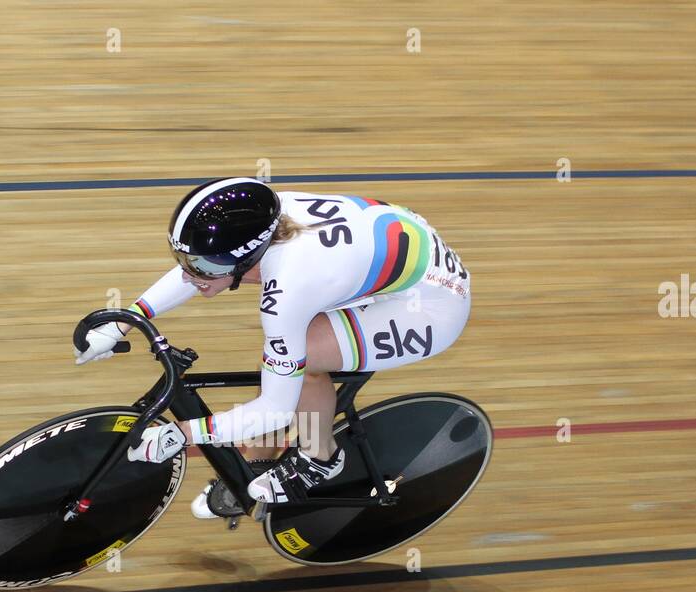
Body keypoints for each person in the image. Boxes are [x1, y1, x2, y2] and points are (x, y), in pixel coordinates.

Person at [74, 176, 471, 515]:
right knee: (281, 358)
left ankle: (321, 457)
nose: (192, 274)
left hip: (430, 306)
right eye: (185, 259)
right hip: (378, 261)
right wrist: (126, 320)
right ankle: (258, 463)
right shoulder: (263, 217)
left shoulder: (288, 290)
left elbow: (274, 409)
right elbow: (201, 264)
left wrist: (182, 434)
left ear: (249, 257)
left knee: (305, 357)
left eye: (207, 268)